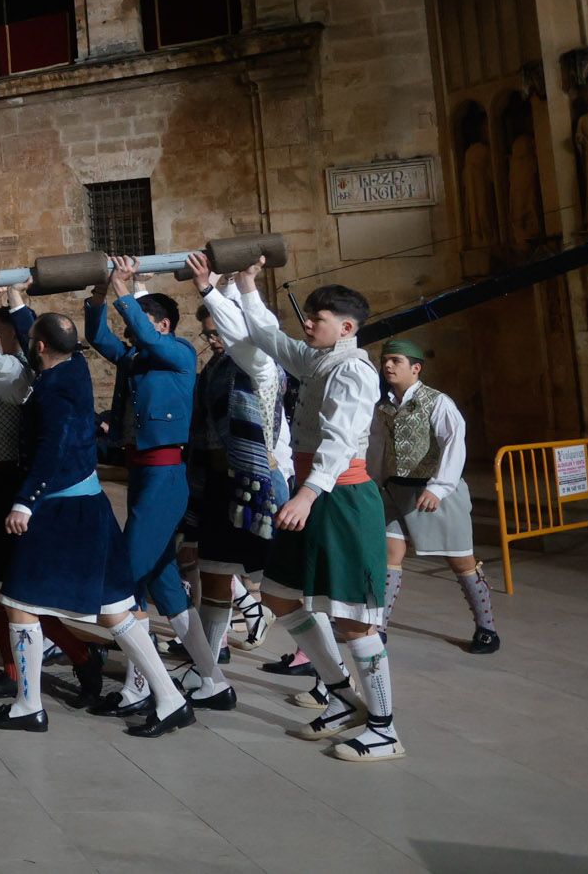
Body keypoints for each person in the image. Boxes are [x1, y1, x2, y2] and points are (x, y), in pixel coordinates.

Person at [0, 274, 194, 735]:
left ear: (38, 348)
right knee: (115, 610)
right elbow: (39, 337)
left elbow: (53, 450)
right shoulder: (72, 368)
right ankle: (171, 699)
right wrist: (19, 299)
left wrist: (24, 502)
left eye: (31, 340)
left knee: (19, 602)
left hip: (62, 510)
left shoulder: (51, 391)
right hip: (91, 507)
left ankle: (28, 705)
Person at [224, 260, 404, 763]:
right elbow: (268, 335)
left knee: (353, 621)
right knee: (282, 596)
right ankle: (345, 698)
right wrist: (245, 287)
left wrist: (306, 494)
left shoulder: (354, 370)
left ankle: (385, 729)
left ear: (345, 328)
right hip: (313, 492)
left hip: (340, 498)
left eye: (318, 318)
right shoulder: (319, 359)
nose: (308, 324)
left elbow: (341, 440)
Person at [83, 257, 231, 715]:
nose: (132, 329)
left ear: (163, 324)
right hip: (143, 474)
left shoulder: (179, 352)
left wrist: (124, 288)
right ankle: (214, 681)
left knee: (128, 580)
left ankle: (140, 687)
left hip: (167, 476)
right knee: (165, 587)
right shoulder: (137, 359)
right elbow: (99, 337)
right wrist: (99, 297)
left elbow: (141, 335)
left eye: (142, 319)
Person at [179, 260, 293, 675]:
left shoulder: (260, 363)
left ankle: (330, 677)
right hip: (218, 488)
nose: (213, 340)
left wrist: (210, 288)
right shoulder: (215, 370)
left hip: (257, 487)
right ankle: (209, 674)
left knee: (283, 592)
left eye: (217, 332)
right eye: (208, 334)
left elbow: (243, 335)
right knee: (213, 578)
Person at [369, 339, 499, 654]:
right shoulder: (383, 407)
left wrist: (439, 487)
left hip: (435, 491)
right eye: (385, 360)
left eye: (396, 361)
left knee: (461, 560)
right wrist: (372, 483)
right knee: (390, 554)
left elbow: (455, 443)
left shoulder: (438, 403)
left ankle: (487, 629)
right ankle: (379, 627)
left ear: (416, 368)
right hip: (395, 490)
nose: (388, 366)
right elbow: (376, 448)